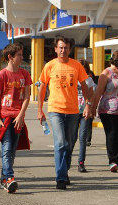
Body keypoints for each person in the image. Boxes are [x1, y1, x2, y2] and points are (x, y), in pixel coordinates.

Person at [37, 36, 91, 190]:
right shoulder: (50, 66)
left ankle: (64, 171)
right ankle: (60, 177)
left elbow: (85, 85)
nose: (63, 50)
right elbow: (42, 87)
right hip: (55, 110)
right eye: (60, 47)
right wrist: (40, 109)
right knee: (60, 143)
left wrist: (88, 104)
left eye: (66, 48)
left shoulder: (76, 65)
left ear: (69, 49)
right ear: (55, 49)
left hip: (74, 111)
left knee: (69, 144)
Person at [0, 43, 32, 193]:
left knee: (12, 150)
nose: (22, 58)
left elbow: (27, 97)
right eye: (19, 55)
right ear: (10, 57)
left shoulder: (24, 74)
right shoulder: (2, 74)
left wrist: (22, 114)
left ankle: (4, 179)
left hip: (18, 117)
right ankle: (9, 177)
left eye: (22, 55)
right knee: (7, 147)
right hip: (5, 117)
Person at [74, 59, 95, 173]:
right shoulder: (72, 78)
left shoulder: (89, 80)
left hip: (84, 112)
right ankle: (66, 161)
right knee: (72, 138)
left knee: (83, 138)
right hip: (72, 111)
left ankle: (81, 163)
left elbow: (92, 95)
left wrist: (90, 107)